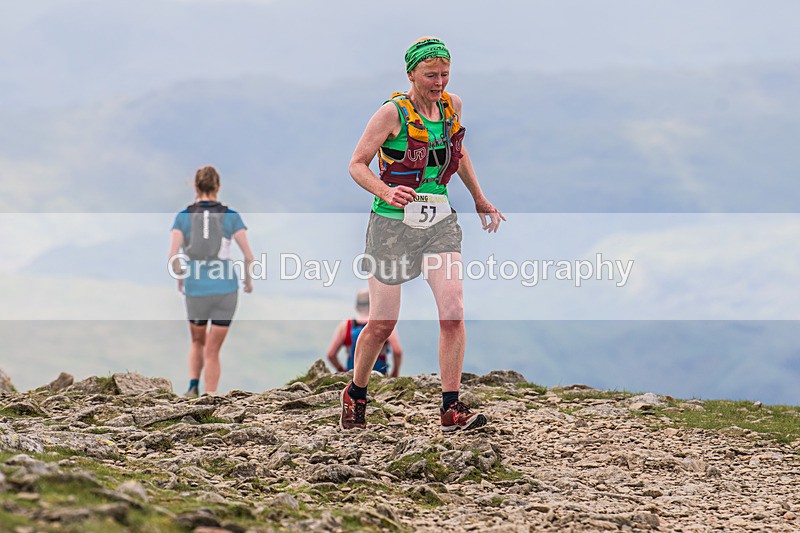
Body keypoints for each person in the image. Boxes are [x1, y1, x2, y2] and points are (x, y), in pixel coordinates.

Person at [341, 37, 505, 432]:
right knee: (382, 323)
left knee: (453, 312)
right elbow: (357, 164)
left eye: (445, 74)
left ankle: (451, 407)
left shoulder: (452, 107)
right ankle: (356, 393)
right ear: (411, 74)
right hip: (391, 226)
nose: (439, 82)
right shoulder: (391, 114)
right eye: (431, 75)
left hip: (438, 222)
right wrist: (385, 191)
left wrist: (479, 198)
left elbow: (458, 155)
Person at [168, 165, 254, 397]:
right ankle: (211, 395)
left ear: (195, 187)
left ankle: (192, 386)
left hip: (196, 287)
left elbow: (173, 256)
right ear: (218, 187)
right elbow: (248, 256)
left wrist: (181, 278)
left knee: (197, 341)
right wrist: (247, 281)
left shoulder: (183, 217)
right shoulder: (231, 216)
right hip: (226, 289)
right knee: (213, 349)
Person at [326, 289, 403, 377]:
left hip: (353, 377)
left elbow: (331, 355)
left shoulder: (346, 326)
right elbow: (397, 351)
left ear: (357, 307)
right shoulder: (384, 324)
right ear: (375, 305)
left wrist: (342, 371)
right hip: (379, 376)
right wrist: (395, 373)